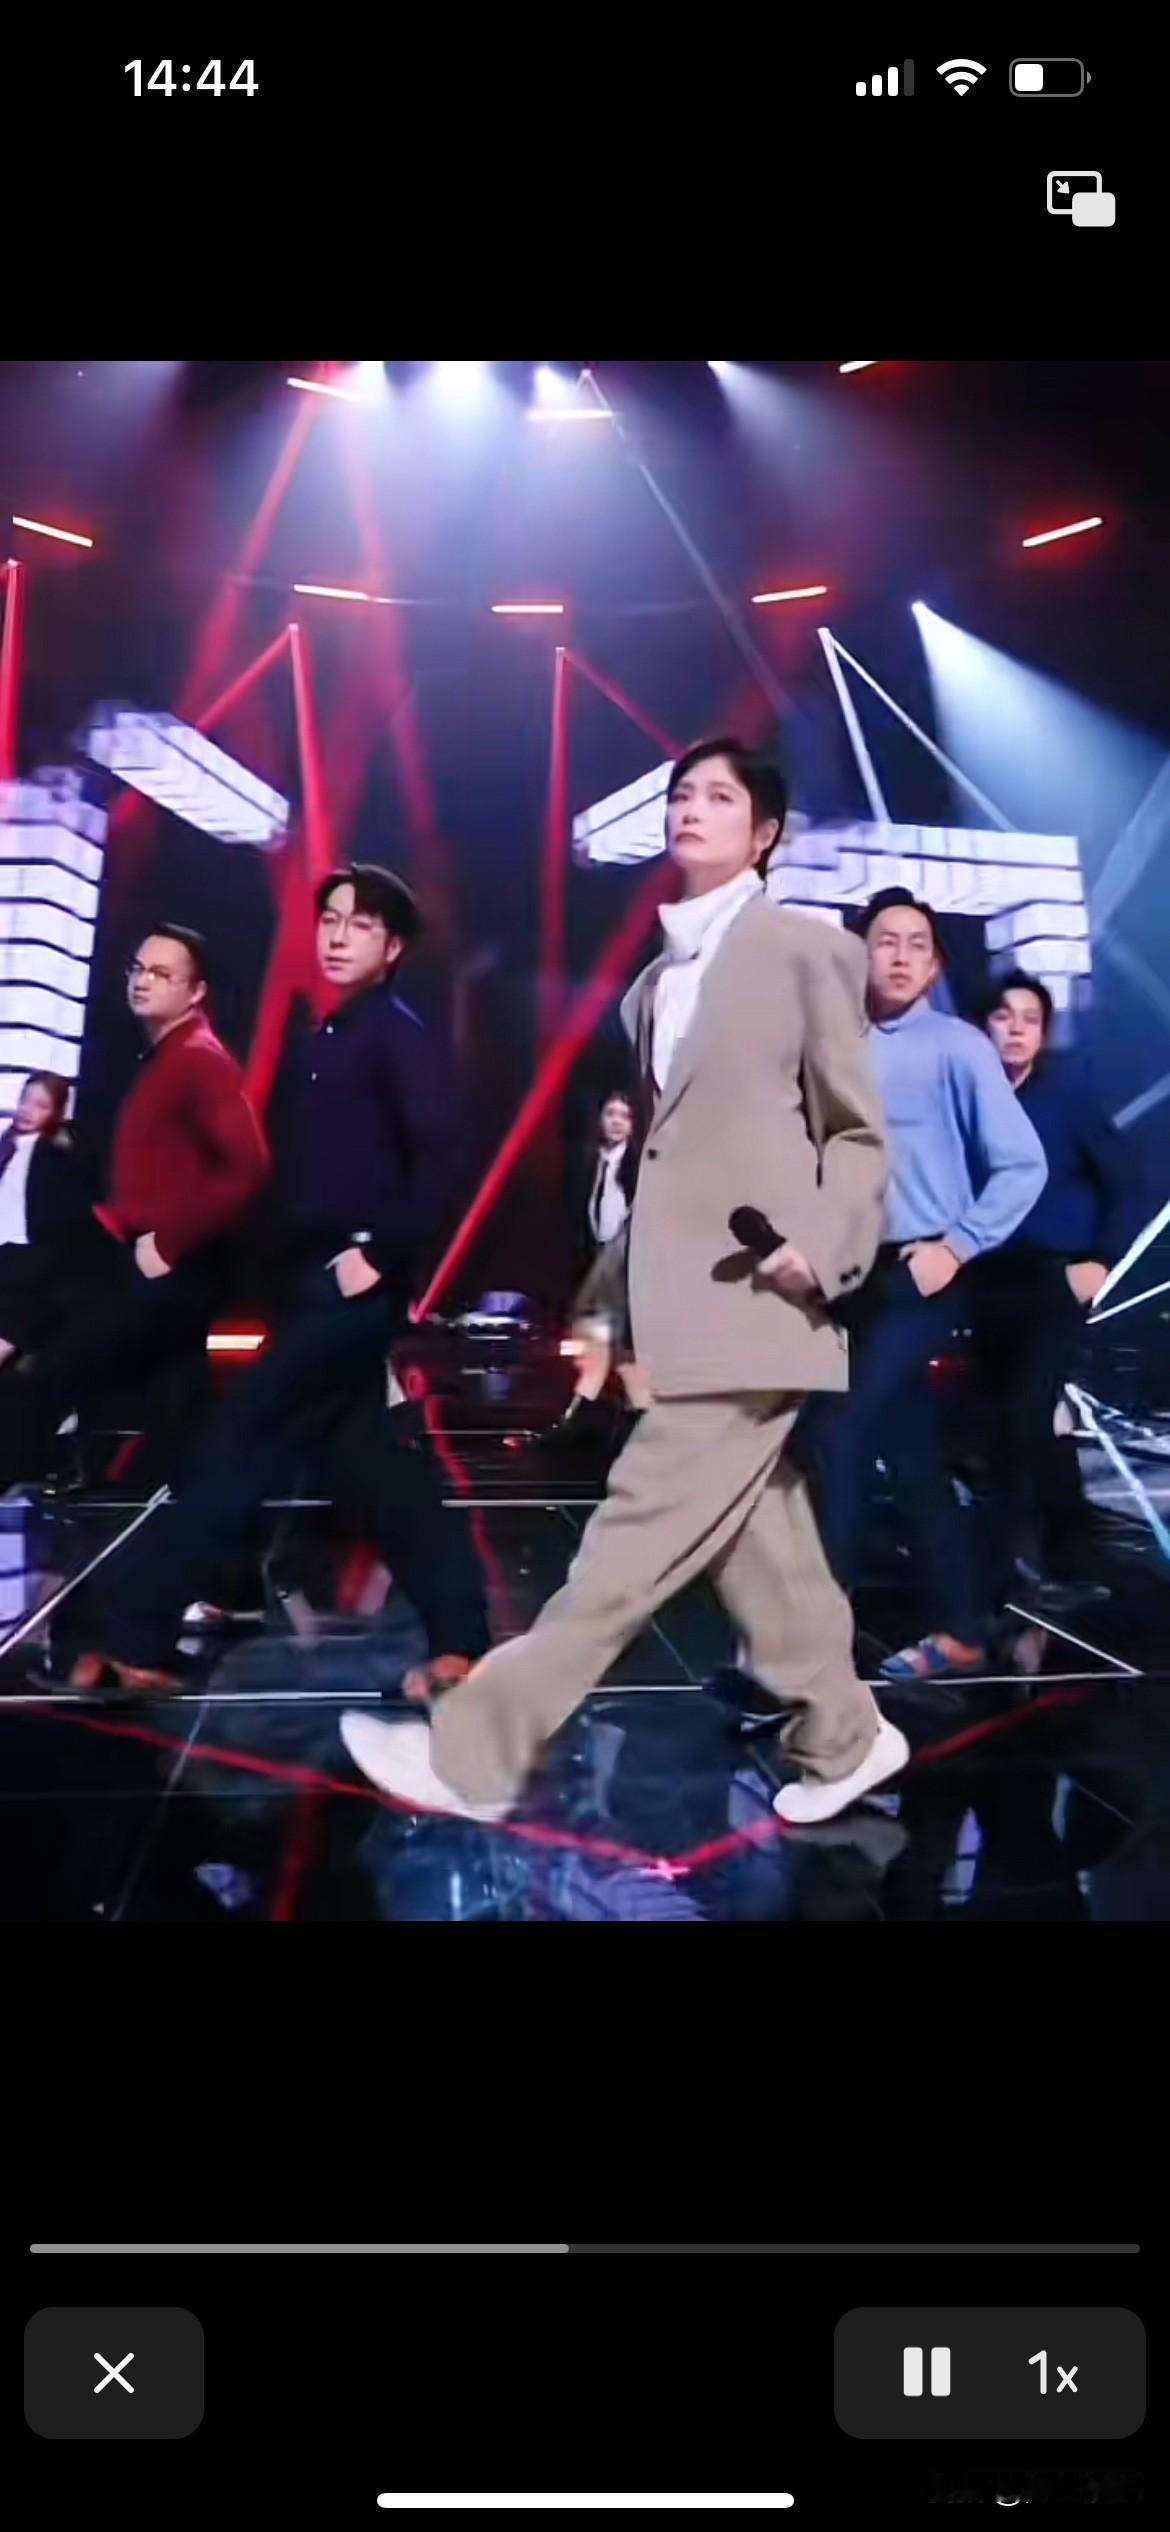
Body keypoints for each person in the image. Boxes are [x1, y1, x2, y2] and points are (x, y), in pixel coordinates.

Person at [341, 734, 908, 1829]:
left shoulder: (809, 950)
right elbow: (668, 1167)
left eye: (719, 796)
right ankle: (846, 1735)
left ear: (765, 831)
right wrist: (611, 1294)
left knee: (629, 1538)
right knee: (761, 1545)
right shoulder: (653, 988)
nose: (691, 808)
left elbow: (855, 1133)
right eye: (682, 793)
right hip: (684, 1305)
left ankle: (476, 1751)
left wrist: (823, 1244)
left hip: (765, 1298)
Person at [63, 863, 469, 1694]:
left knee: (235, 1440)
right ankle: (463, 1637)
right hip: (314, 1281)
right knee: (376, 1466)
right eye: (330, 919)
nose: (337, 935)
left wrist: (380, 1256)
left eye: (359, 924)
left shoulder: (396, 1033)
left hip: (354, 1282)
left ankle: (129, 1630)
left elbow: (444, 1157)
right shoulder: (333, 1032)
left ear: (393, 947)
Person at [802, 889, 1049, 1684]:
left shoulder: (957, 1047)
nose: (902, 955)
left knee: (842, 1432)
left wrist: (959, 1245)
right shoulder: (831, 1044)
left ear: (937, 966)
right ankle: (964, 1628)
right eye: (886, 940)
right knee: (910, 1457)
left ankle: (811, 1642)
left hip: (922, 1275)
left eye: (918, 944)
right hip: (850, 1277)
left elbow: (1023, 1165)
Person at [0, 928, 268, 1488]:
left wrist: (168, 1244)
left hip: (175, 1267)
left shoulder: (200, 1060)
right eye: (138, 969)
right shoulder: (166, 1058)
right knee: (179, 1403)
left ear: (196, 991)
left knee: (56, 1372)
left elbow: (248, 1165)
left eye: (162, 974)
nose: (143, 981)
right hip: (157, 1264)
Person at [970, 968, 1145, 1609]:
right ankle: (1068, 1558)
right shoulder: (968, 1097)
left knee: (1026, 1413)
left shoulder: (1067, 1096)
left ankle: (1013, 1570)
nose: (1016, 1030)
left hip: (1053, 1277)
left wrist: (1100, 1261)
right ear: (982, 1027)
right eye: (1003, 1017)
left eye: (1031, 1020)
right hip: (982, 1279)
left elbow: (1127, 1183)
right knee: (1015, 1421)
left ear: (1044, 1033)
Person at [0, 1073, 91, 1371]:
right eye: (25, 1101)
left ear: (56, 1112)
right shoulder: (5, 1143)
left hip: (26, 1259)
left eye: (40, 1105)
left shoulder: (58, 1155)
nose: (27, 1110)